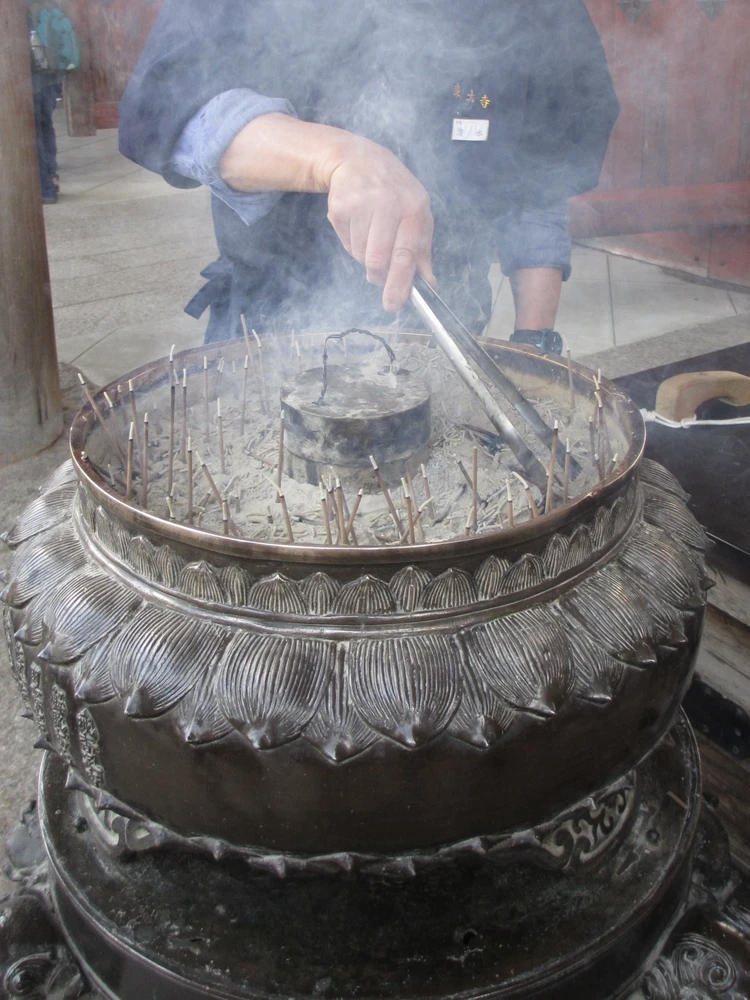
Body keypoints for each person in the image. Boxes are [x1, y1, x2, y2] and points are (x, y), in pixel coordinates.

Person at [119, 0, 619, 347]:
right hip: (272, 323)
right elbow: (176, 114)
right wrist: (333, 158)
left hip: (450, 323)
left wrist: (535, 341)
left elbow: (536, 176)